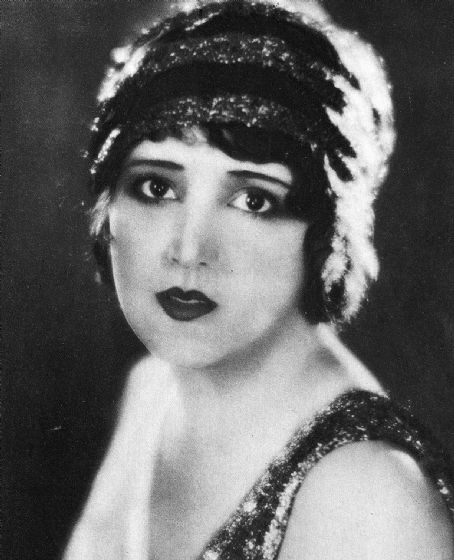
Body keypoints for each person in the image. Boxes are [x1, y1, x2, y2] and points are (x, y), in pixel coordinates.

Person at [64, 1, 454, 558]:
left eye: (253, 200)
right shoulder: (153, 390)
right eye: (157, 187)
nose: (189, 251)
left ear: (326, 234)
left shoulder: (366, 494)